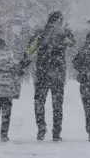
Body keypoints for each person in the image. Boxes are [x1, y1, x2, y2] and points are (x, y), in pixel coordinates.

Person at [28, 11, 75, 141]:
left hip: (42, 72)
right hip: (57, 73)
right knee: (57, 105)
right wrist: (65, 38)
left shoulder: (40, 32)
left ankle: (41, 128)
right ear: (60, 20)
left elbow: (30, 50)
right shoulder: (63, 33)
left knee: (39, 102)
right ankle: (56, 132)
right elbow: (72, 43)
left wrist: (22, 65)